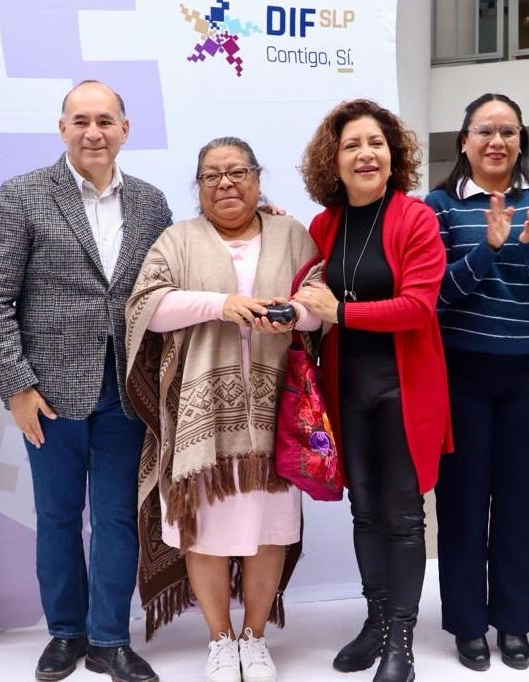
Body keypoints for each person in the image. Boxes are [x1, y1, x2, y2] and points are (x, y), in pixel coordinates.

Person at [0, 80, 171, 682]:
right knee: (58, 518)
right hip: (48, 393)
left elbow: (173, 277)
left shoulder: (151, 203)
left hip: (127, 392)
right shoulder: (23, 195)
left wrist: (263, 218)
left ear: (125, 130)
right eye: (81, 121)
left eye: (105, 120)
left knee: (115, 519)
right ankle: (65, 632)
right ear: (62, 129)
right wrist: (17, 387)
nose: (93, 132)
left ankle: (109, 638)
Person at [125, 136, 319, 682]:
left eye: (237, 172)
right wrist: (222, 305)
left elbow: (319, 303)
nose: (225, 183)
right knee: (203, 528)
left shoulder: (291, 234)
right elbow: (147, 307)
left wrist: (294, 313)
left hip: (274, 414)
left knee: (269, 528)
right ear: (199, 187)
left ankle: (254, 638)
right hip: (200, 419)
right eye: (212, 175)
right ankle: (219, 639)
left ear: (257, 179)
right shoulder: (178, 239)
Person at [294, 99, 452, 682]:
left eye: (376, 143)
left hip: (404, 390)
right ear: (333, 161)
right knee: (363, 511)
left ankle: (401, 641)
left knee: (403, 517)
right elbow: (308, 288)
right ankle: (377, 620)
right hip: (347, 387)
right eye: (352, 145)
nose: (366, 154)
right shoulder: (324, 225)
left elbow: (418, 307)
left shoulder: (415, 218)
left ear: (393, 155)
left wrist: (341, 311)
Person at [424, 92, 529, 672]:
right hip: (461, 371)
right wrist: (487, 249)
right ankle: (467, 624)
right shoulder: (439, 205)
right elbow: (435, 295)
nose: (497, 141)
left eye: (508, 131)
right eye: (484, 130)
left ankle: (512, 621)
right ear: (464, 141)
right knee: (462, 501)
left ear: (521, 140)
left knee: (518, 500)